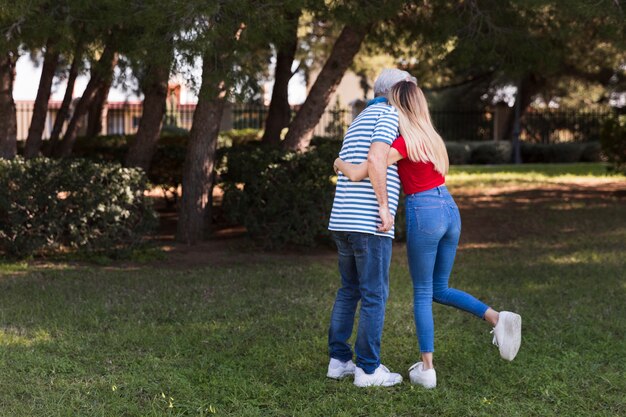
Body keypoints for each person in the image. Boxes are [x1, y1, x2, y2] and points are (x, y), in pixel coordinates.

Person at [334, 80, 522, 389]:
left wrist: (341, 163)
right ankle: (496, 318)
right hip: (449, 208)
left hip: (425, 211)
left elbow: (367, 167)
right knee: (439, 289)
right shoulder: (432, 137)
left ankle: (427, 369)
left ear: (400, 106)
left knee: (422, 291)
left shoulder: (403, 142)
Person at [326, 69, 415, 387]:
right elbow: (377, 160)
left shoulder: (361, 117)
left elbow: (351, 162)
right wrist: (382, 206)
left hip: (343, 221)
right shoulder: (391, 115)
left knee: (349, 291)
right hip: (369, 223)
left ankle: (339, 361)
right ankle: (367, 369)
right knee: (374, 295)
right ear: (398, 92)